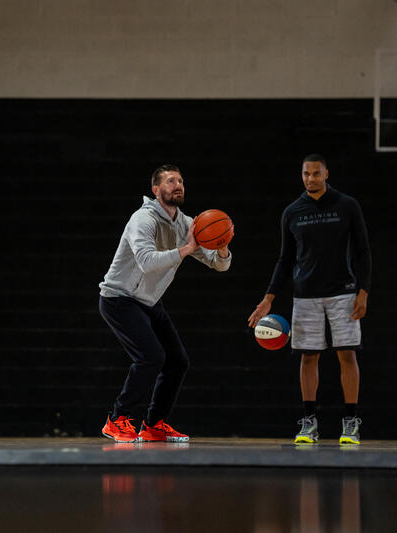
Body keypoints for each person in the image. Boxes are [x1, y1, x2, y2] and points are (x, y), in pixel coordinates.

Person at [99, 164, 233, 442]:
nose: (178, 185)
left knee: (177, 361)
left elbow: (218, 265)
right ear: (156, 190)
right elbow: (147, 262)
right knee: (151, 357)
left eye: (181, 180)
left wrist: (222, 247)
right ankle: (117, 419)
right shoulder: (143, 219)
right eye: (171, 181)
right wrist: (186, 249)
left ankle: (154, 424)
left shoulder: (185, 223)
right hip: (119, 298)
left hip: (149, 301)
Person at [248, 154, 371, 445]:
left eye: (316, 174)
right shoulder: (292, 212)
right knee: (308, 357)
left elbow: (364, 251)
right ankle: (308, 423)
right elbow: (284, 259)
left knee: (347, 355)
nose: (311, 179)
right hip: (305, 295)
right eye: (306, 174)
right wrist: (268, 299)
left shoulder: (347, 205)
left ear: (327, 173)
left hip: (344, 292)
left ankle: (350, 422)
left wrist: (363, 292)